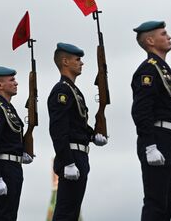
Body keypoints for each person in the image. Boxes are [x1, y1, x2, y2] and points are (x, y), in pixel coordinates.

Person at [131, 21, 171, 220]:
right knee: (156, 204)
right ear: (150, 41)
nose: (169, 37)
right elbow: (141, 111)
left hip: (170, 139)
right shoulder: (148, 70)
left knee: (166, 206)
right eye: (163, 34)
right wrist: (150, 146)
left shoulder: (164, 69)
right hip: (157, 139)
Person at [47, 43, 108, 220]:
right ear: (65, 61)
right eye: (77, 59)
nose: (81, 63)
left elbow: (76, 124)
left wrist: (92, 136)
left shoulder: (73, 90)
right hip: (71, 156)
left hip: (79, 155)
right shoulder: (62, 91)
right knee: (65, 213)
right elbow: (58, 130)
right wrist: (67, 162)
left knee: (72, 213)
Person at [0, 66, 32, 221]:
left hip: (14, 168)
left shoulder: (8, 108)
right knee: (2, 215)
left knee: (10, 215)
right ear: (0, 85)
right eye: (12, 80)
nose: (16, 83)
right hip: (3, 169)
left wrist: (22, 151)